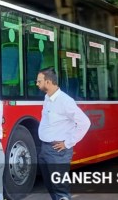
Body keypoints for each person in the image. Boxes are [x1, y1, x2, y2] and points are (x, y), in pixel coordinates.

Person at [37, 68, 91, 200]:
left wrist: (67, 143)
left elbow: (85, 122)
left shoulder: (65, 101)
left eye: (39, 81)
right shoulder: (47, 98)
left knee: (60, 189)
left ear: (48, 82)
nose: (37, 84)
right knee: (50, 186)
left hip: (58, 152)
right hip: (45, 149)